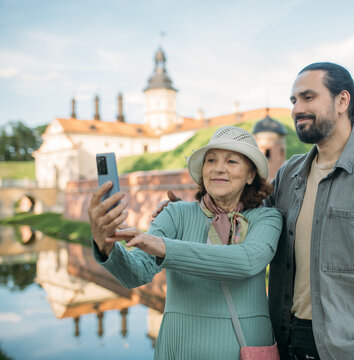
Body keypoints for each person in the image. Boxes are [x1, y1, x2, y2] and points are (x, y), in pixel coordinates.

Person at [154, 63, 354, 360]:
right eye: (294, 101)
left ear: (342, 101)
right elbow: (239, 215)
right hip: (287, 345)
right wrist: (185, 212)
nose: (297, 109)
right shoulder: (288, 175)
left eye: (308, 97)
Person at [88, 126, 282, 359]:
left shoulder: (267, 218)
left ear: (250, 175)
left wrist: (164, 247)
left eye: (232, 161)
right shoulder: (175, 214)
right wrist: (105, 245)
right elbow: (135, 274)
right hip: (178, 349)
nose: (219, 168)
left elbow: (247, 261)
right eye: (211, 160)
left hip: (246, 349)